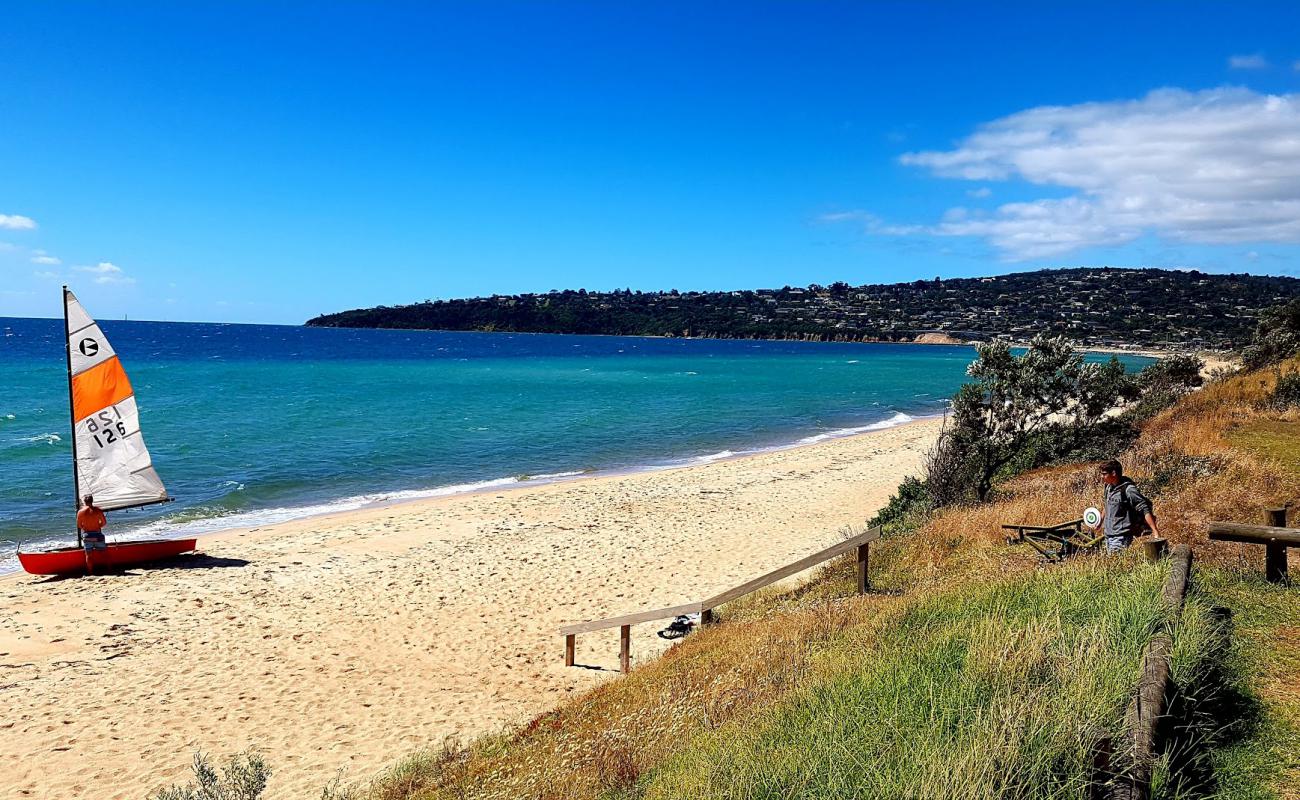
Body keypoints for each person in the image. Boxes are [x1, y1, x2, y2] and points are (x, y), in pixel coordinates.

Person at [1097, 460, 1159, 553]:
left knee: (1116, 565)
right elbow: (1107, 505)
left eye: (1104, 474)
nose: (1101, 477)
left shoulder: (1128, 490)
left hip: (1121, 537)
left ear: (1113, 473)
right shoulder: (1108, 487)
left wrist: (1155, 531)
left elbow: (1144, 508)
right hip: (1108, 535)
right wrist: (1100, 521)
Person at [77, 494, 108, 574]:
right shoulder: (98, 510)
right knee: (104, 554)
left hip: (87, 536)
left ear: (84, 502)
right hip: (98, 534)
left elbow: (79, 525)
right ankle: (108, 569)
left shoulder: (80, 512)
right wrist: (98, 526)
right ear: (92, 501)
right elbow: (104, 523)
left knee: (88, 555)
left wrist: (85, 528)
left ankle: (90, 572)